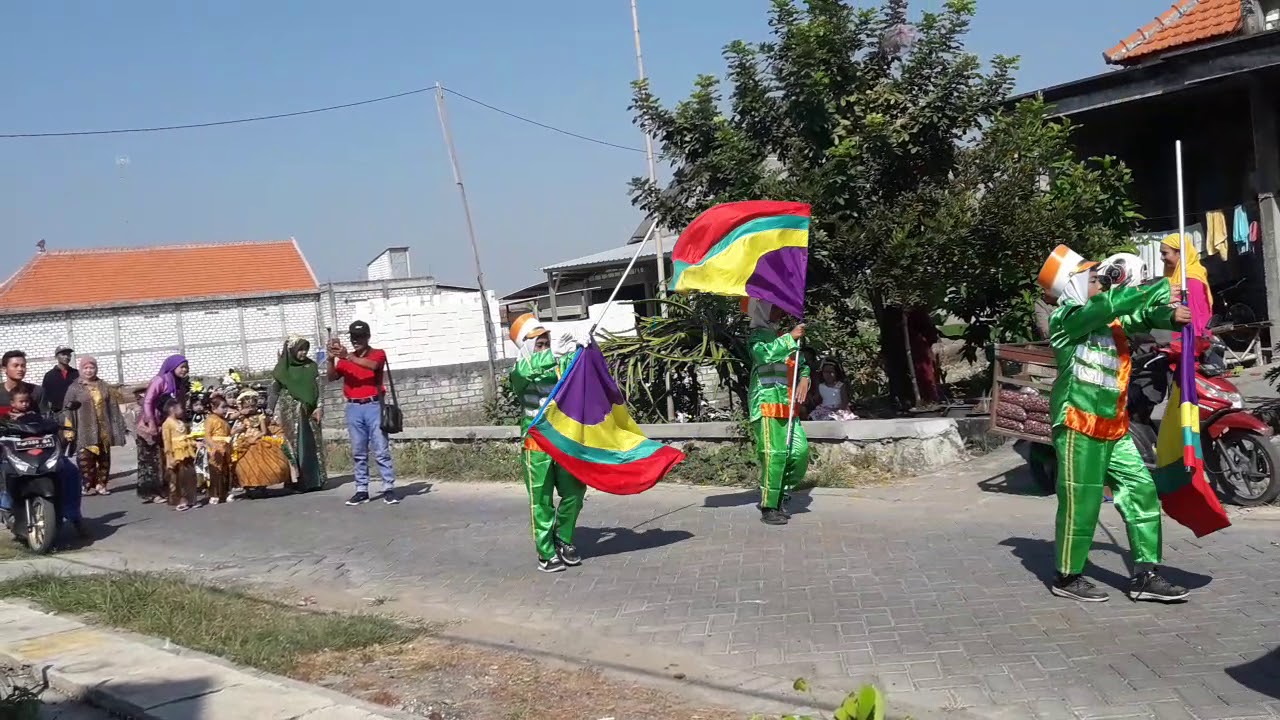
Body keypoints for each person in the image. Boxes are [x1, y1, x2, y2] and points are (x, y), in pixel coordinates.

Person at [1037, 244, 1193, 603]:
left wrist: (1172, 317)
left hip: (1114, 424)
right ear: (1074, 286)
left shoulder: (1109, 320)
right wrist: (1151, 289)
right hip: (1078, 422)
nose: (1102, 283)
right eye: (1094, 279)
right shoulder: (1067, 320)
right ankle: (1067, 575)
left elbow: (1138, 316)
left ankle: (1145, 574)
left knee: (1142, 492)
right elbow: (1107, 306)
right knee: (1083, 501)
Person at [508, 313, 586, 573]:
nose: (544, 348)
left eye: (546, 343)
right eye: (538, 345)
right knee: (540, 499)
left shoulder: (558, 364)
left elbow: (579, 373)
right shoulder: (520, 370)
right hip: (535, 441)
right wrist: (554, 355)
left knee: (575, 491)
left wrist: (583, 347)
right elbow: (528, 372)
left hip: (563, 438)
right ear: (527, 348)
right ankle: (545, 552)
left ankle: (564, 538)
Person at [0, 350, 86, 536]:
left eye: (23, 365)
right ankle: (6, 508)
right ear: (4, 369)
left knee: (70, 472)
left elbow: (48, 418)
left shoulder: (37, 392)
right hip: (6, 447)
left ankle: (73, 514)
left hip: (37, 446)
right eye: (15, 365)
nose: (21, 369)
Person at [744, 299, 810, 526]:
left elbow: (801, 362)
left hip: (788, 404)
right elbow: (764, 356)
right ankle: (770, 505)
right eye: (774, 307)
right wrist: (790, 338)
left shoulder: (785, 335)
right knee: (773, 455)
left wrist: (805, 376)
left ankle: (781, 492)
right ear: (761, 310)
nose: (780, 310)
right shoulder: (756, 336)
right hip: (766, 403)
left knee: (798, 452)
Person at [327, 321, 397, 506]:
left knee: (381, 449)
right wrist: (329, 359)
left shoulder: (377, 354)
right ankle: (361, 490)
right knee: (359, 451)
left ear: (367, 337)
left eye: (359, 337)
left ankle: (388, 487)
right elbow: (332, 377)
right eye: (353, 338)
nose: (356, 341)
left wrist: (348, 356)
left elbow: (373, 366)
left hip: (373, 405)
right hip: (354, 407)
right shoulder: (345, 359)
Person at [268, 336, 326, 492]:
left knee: (310, 445)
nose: (303, 352)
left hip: (309, 412)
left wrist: (319, 407)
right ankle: (296, 481)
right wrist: (269, 411)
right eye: (299, 349)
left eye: (305, 349)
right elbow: (274, 392)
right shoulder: (282, 370)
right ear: (291, 351)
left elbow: (319, 388)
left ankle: (314, 481)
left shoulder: (311, 367)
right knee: (293, 446)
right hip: (289, 414)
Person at [63, 357, 127, 496]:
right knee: (85, 459)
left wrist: (119, 427)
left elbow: (113, 407)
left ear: (96, 369)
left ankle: (101, 484)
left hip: (103, 429)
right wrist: (68, 430)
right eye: (85, 368)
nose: (89, 370)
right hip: (84, 429)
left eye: (91, 367)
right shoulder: (74, 388)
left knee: (104, 459)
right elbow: (67, 410)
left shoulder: (103, 386)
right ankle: (87, 485)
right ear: (81, 369)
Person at [136, 355, 190, 504]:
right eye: (182, 367)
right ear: (173, 367)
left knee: (166, 457)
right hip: (149, 425)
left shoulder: (180, 384)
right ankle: (151, 492)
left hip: (168, 425)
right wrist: (151, 424)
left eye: (186, 367)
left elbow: (181, 403)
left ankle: (168, 488)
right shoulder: (160, 380)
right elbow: (148, 401)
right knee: (150, 460)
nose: (184, 370)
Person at [1160, 234, 1213, 338]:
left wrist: (1192, 345)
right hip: (1177, 337)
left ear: (1179, 253)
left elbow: (1194, 315)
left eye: (1165, 253)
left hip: (1191, 340)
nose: (1161, 258)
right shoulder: (1172, 275)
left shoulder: (1191, 278)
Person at [161, 398, 198, 511]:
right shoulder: (167, 424)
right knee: (179, 479)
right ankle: (180, 500)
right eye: (180, 408)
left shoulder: (181, 422)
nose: (182, 410)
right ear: (172, 409)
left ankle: (191, 499)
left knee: (190, 476)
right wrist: (170, 457)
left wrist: (195, 443)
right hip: (176, 453)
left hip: (186, 452)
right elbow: (167, 441)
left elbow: (186, 436)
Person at [204, 397, 234, 504]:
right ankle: (214, 494)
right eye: (223, 407)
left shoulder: (224, 420)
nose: (225, 410)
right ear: (213, 408)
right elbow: (207, 436)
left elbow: (228, 434)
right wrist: (214, 446)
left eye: (226, 407)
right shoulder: (210, 419)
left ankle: (225, 493)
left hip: (226, 448)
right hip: (215, 450)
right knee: (216, 471)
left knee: (226, 471)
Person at [41, 346, 79, 416]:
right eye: (63, 354)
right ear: (56, 357)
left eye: (68, 355)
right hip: (58, 414)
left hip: (76, 412)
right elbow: (44, 397)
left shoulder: (76, 374)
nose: (66, 357)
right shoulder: (49, 376)